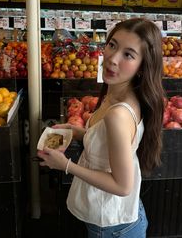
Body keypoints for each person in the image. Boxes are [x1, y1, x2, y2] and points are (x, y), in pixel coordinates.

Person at [38, 18, 165, 237]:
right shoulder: (119, 93)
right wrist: (80, 133)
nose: (112, 59)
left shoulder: (118, 113)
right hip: (120, 216)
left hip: (113, 226)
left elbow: (122, 185)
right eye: (112, 45)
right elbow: (113, 144)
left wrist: (66, 165)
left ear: (143, 66)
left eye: (128, 54)